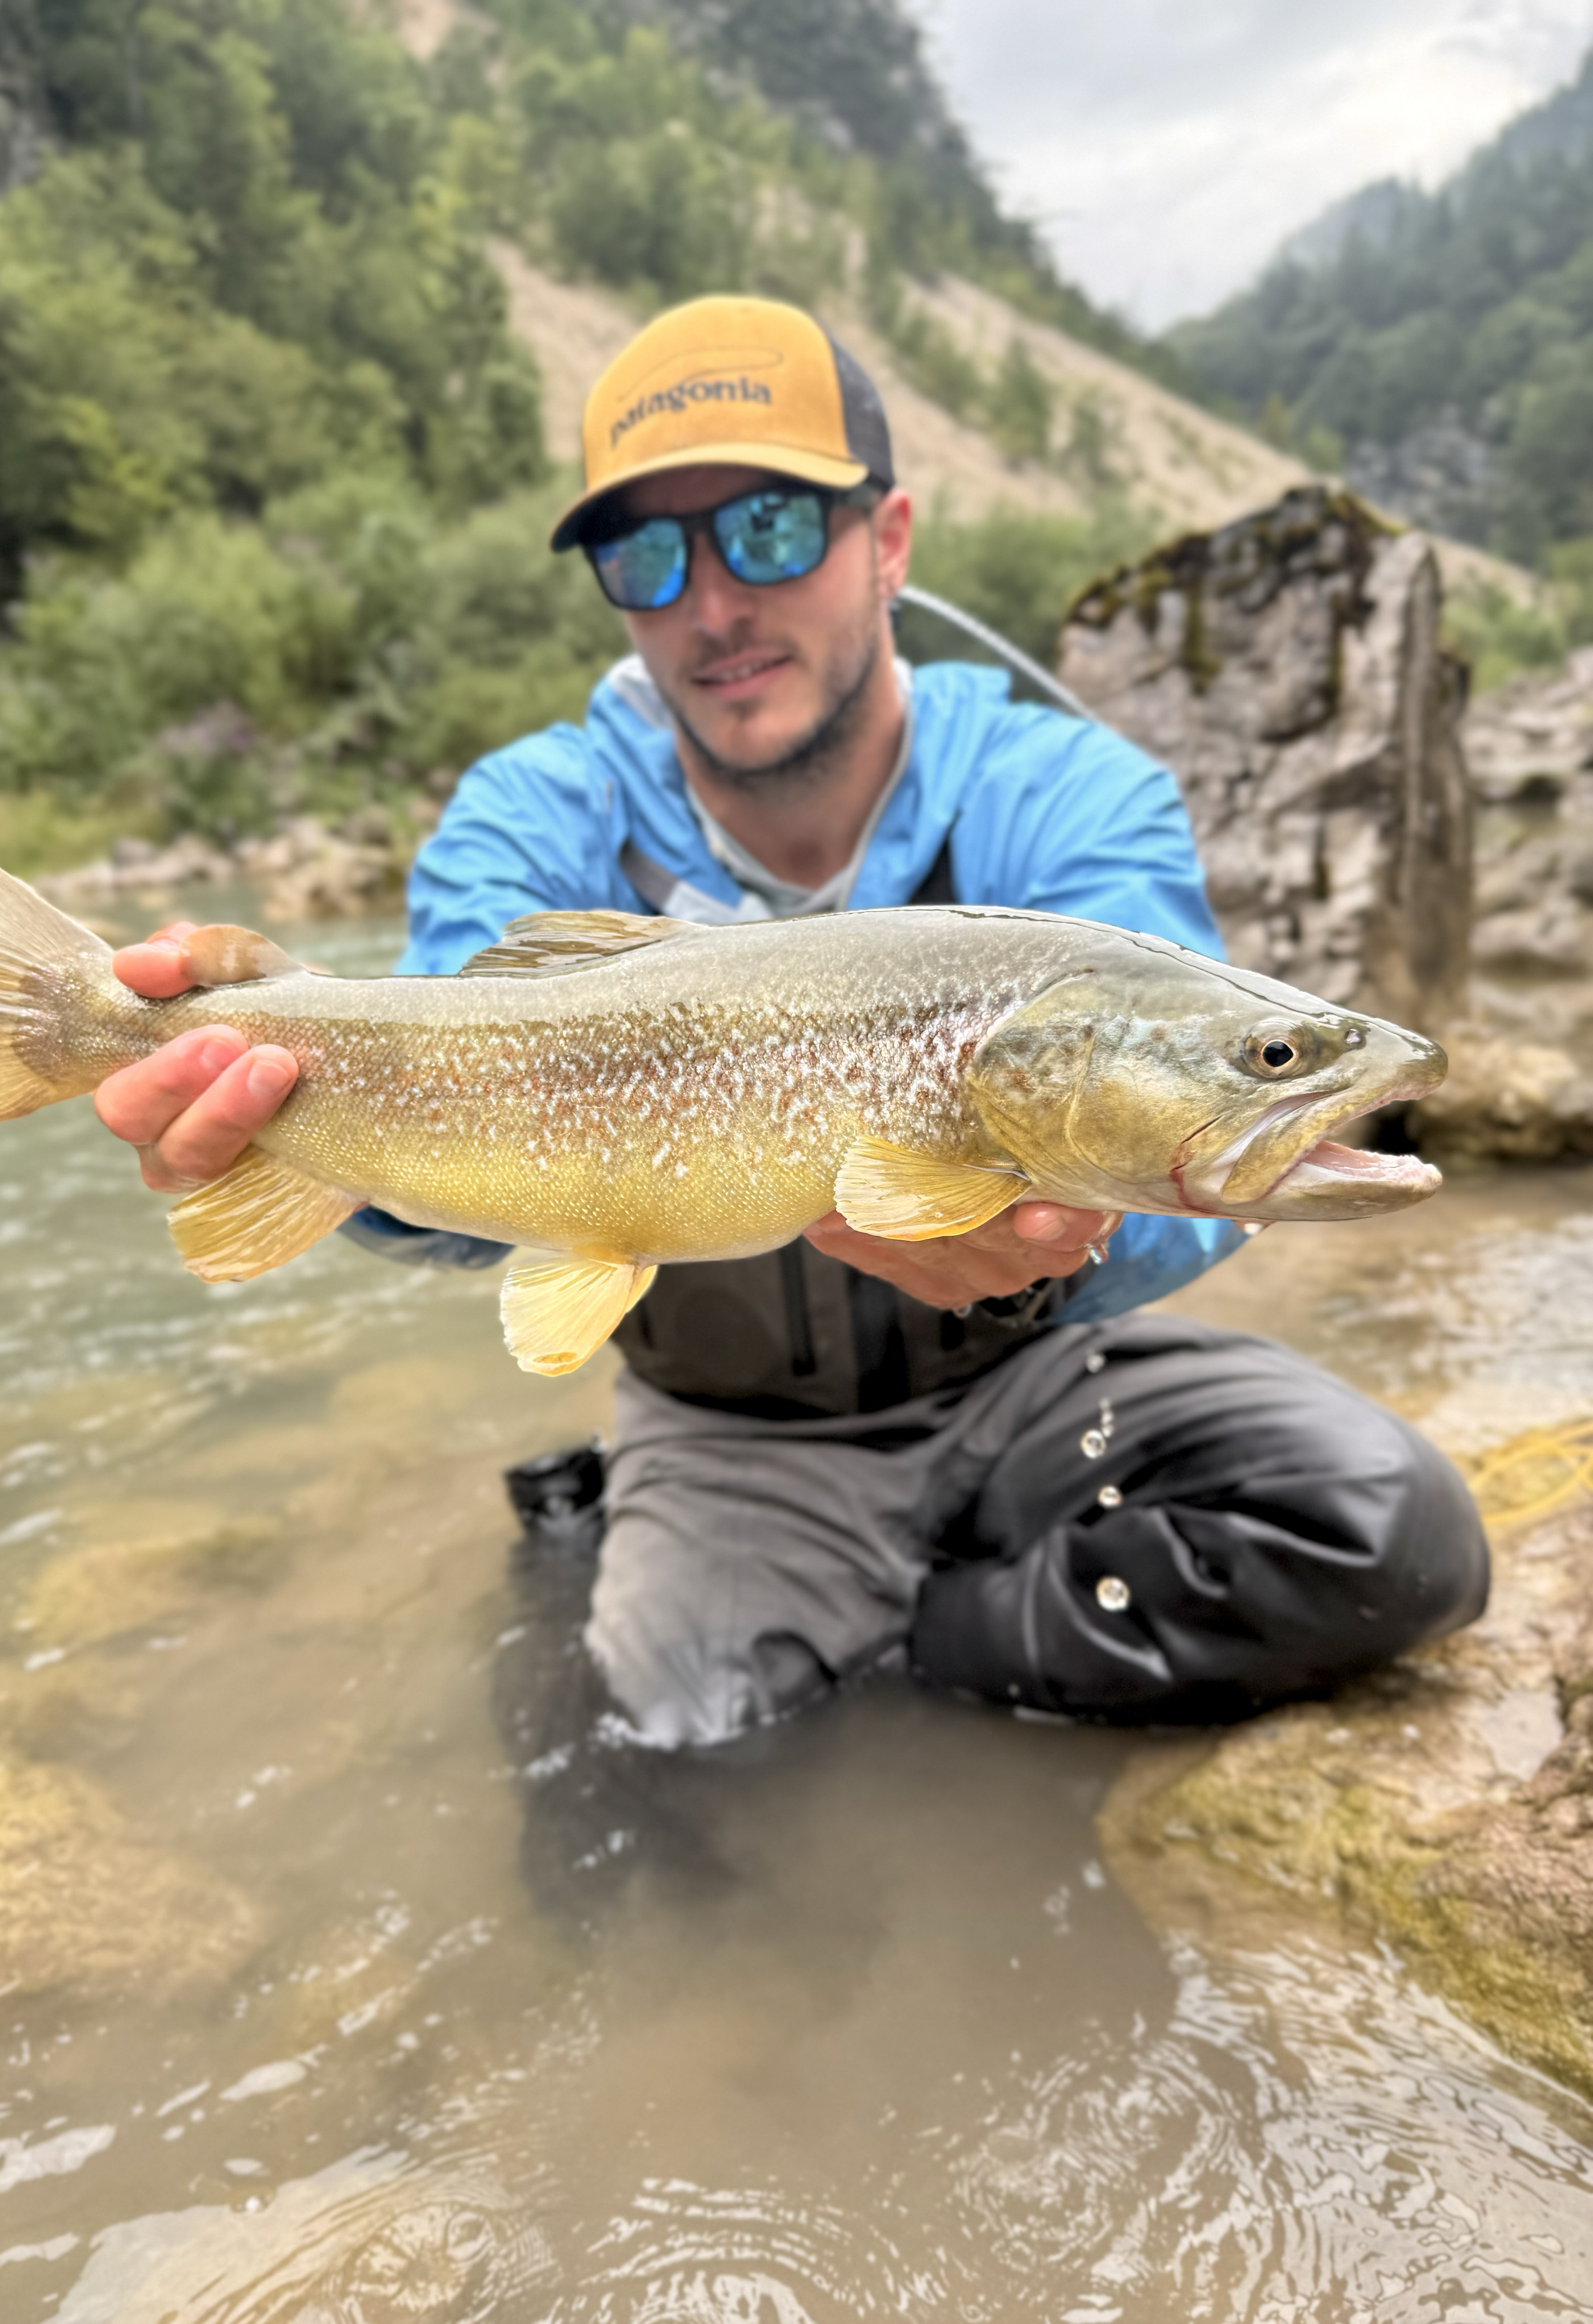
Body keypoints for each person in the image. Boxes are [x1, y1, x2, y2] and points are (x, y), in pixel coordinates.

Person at [94, 295, 1488, 1750]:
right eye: (645, 555)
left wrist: (1027, 1256)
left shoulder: (1067, 791)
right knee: (658, 1759)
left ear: (884, 542)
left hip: (1034, 1374)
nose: (710, 603)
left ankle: (898, 1638)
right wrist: (268, 1140)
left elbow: (1189, 1195)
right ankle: (754, 1588)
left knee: (1394, 1533)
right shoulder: (526, 818)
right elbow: (450, 1197)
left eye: (765, 530)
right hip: (731, 1426)